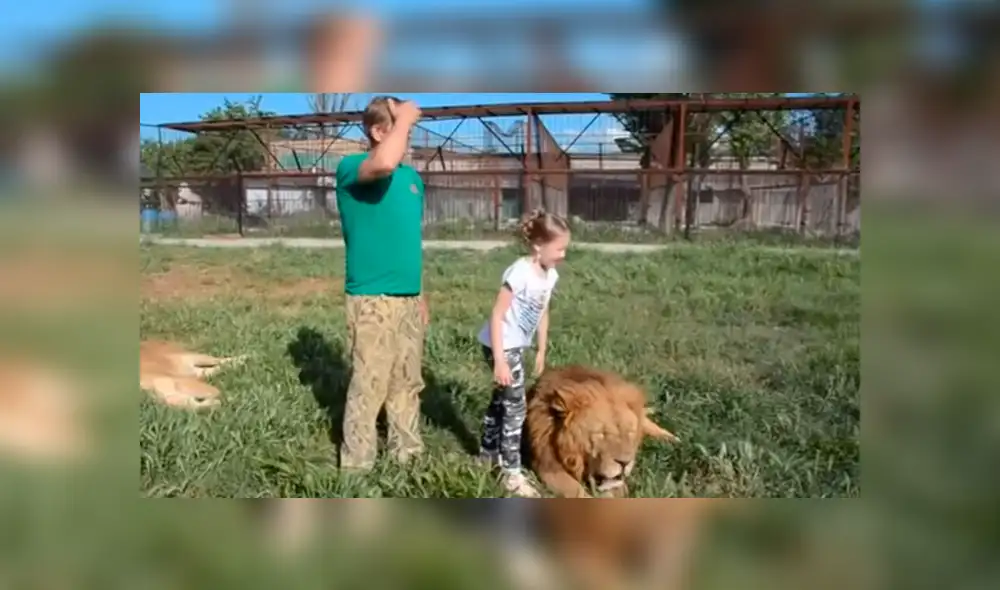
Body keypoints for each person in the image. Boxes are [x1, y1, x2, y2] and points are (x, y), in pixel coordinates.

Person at [335, 96, 428, 473]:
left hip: (407, 297)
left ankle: (407, 455)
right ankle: (357, 467)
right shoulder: (352, 167)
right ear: (377, 131)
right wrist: (405, 117)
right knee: (369, 385)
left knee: (407, 383)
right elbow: (385, 161)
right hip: (372, 299)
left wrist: (421, 293)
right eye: (399, 127)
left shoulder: (412, 180)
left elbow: (409, 240)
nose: (409, 135)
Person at [476, 209, 571, 497]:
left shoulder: (549, 275)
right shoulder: (519, 272)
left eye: (565, 248)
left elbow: (543, 312)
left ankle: (486, 454)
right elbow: (496, 315)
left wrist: (541, 348)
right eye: (559, 249)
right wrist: (501, 361)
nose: (562, 255)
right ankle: (512, 474)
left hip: (517, 346)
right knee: (516, 410)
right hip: (500, 344)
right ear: (538, 246)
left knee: (501, 402)